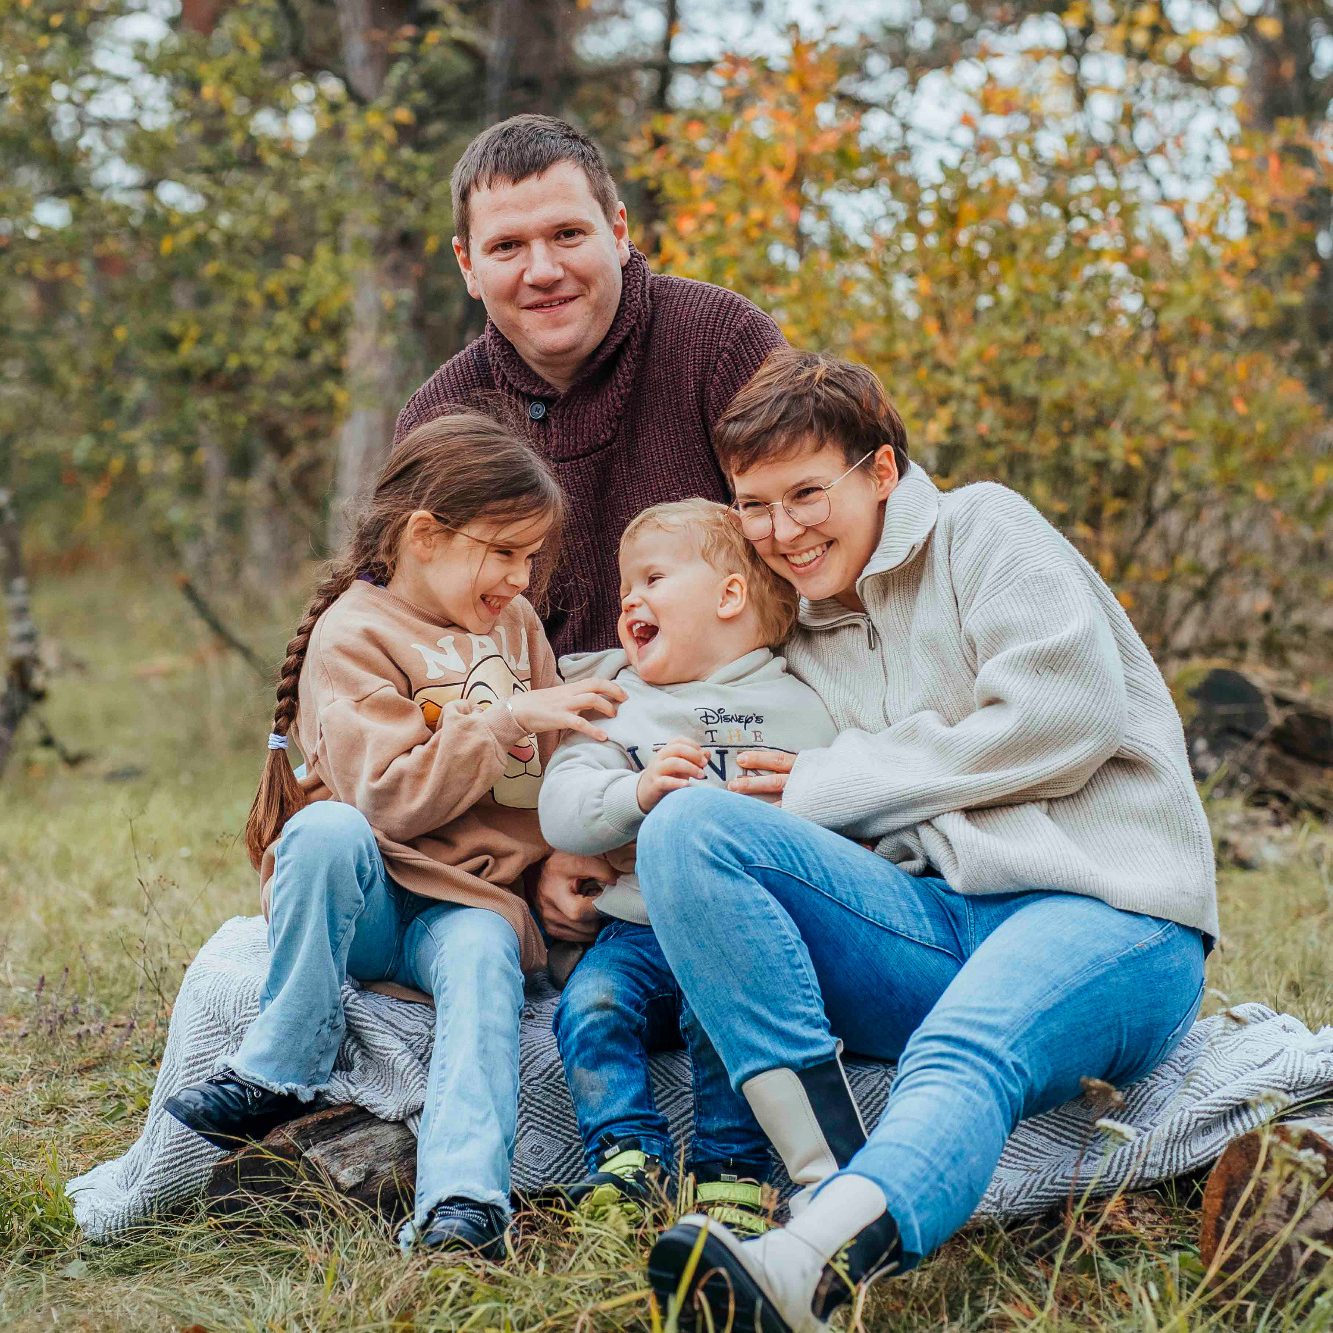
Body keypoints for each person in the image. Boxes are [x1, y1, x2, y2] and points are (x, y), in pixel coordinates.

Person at [638, 350, 1217, 1331]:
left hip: (1109, 914)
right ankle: (823, 1191)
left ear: (879, 472)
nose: (782, 530)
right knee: (689, 827)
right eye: (755, 505)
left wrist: (833, 783)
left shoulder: (983, 530)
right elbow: (665, 677)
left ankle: (808, 1272)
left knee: (962, 1046)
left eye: (806, 493)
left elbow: (1064, 715)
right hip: (933, 920)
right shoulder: (801, 630)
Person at [163, 414, 625, 1259]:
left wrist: (573, 843)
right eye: (504, 551)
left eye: (531, 556)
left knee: (485, 961)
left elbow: (554, 758)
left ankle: (464, 1202)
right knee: (325, 829)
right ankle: (283, 1060)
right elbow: (385, 798)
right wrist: (504, 718)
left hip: (472, 905)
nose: (521, 576)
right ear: (425, 534)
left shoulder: (515, 625)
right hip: (371, 894)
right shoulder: (354, 636)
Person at [395, 112, 787, 952]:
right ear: (467, 265)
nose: (542, 271)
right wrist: (539, 848)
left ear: (617, 230)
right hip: (531, 786)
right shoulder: (441, 420)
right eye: (505, 248)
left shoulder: (723, 345)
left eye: (568, 233)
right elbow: (415, 668)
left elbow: (810, 569)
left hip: (724, 749)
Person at [534, 500, 837, 1234]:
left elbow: (845, 822)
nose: (627, 600)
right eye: (623, 587)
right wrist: (632, 791)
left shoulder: (807, 708)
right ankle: (624, 1156)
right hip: (635, 928)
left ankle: (730, 1169)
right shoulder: (621, 705)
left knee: (727, 1015)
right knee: (590, 1005)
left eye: (652, 578)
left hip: (743, 936)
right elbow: (560, 808)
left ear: (730, 596)